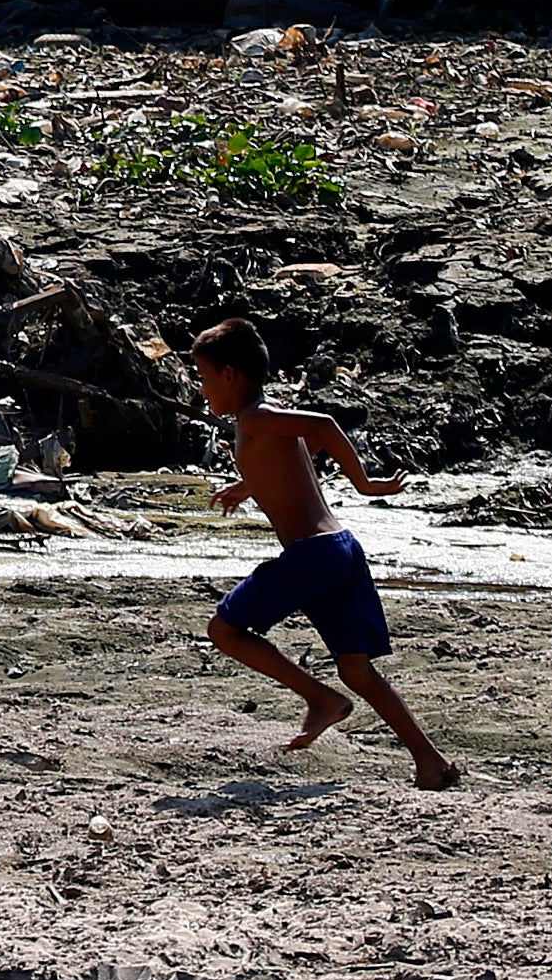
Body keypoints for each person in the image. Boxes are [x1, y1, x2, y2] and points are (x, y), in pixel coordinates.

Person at [186, 321, 459, 790]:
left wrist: (365, 484)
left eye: (205, 378)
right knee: (356, 667)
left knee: (225, 630)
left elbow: (324, 427)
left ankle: (320, 699)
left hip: (312, 555)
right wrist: (249, 486)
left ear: (230, 376)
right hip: (341, 550)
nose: (203, 388)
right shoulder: (258, 426)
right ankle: (430, 762)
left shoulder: (256, 417)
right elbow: (299, 451)